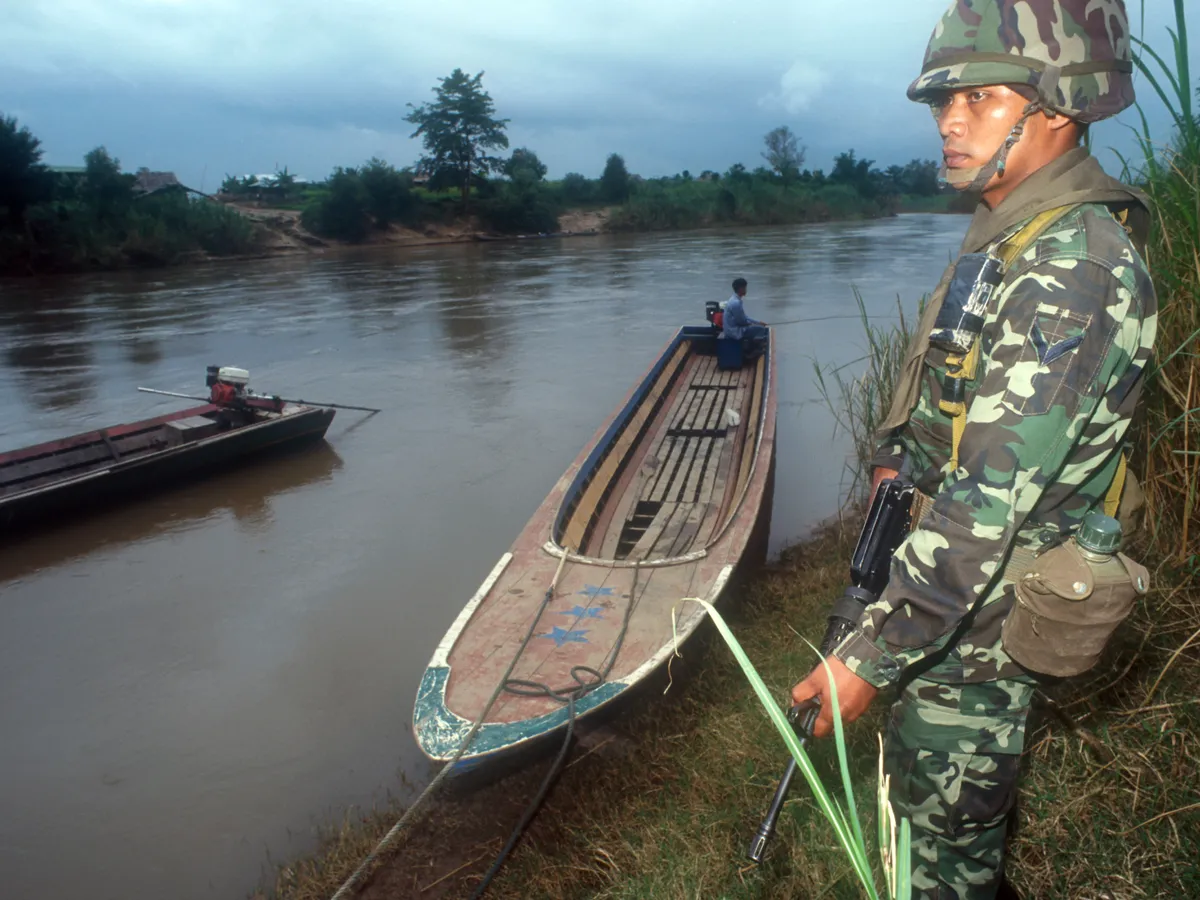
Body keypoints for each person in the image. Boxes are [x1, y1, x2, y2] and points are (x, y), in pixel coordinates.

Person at [789, 2, 1156, 898]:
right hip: (946, 602)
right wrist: (892, 456)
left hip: (982, 616)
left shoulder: (1074, 269)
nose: (950, 124)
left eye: (981, 100)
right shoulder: (1011, 232)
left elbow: (982, 514)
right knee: (938, 829)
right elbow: (943, 390)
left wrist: (864, 660)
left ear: (1056, 110)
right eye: (942, 104)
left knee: (944, 856)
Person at [722, 277, 768, 350]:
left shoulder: (734, 299)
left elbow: (744, 317)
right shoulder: (735, 303)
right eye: (745, 288)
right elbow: (741, 322)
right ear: (741, 289)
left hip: (731, 329)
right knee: (761, 329)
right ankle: (752, 351)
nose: (746, 290)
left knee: (758, 327)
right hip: (733, 332)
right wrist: (754, 324)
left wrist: (758, 322)